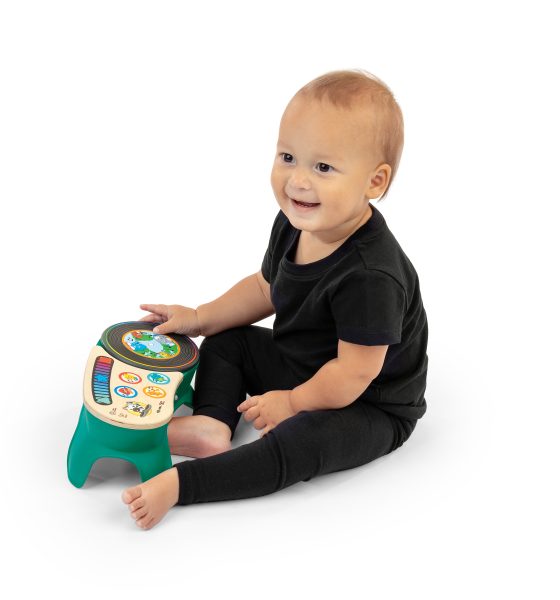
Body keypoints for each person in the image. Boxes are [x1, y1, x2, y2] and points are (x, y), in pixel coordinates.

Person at [122, 69, 428, 530]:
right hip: (304, 361)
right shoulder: (295, 222)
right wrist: (201, 317)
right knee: (228, 341)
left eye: (323, 168)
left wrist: (292, 402)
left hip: (368, 403)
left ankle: (184, 485)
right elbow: (265, 288)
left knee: (301, 442)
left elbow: (354, 373)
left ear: (374, 182)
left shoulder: (371, 276)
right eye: (288, 157)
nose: (297, 180)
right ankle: (212, 425)